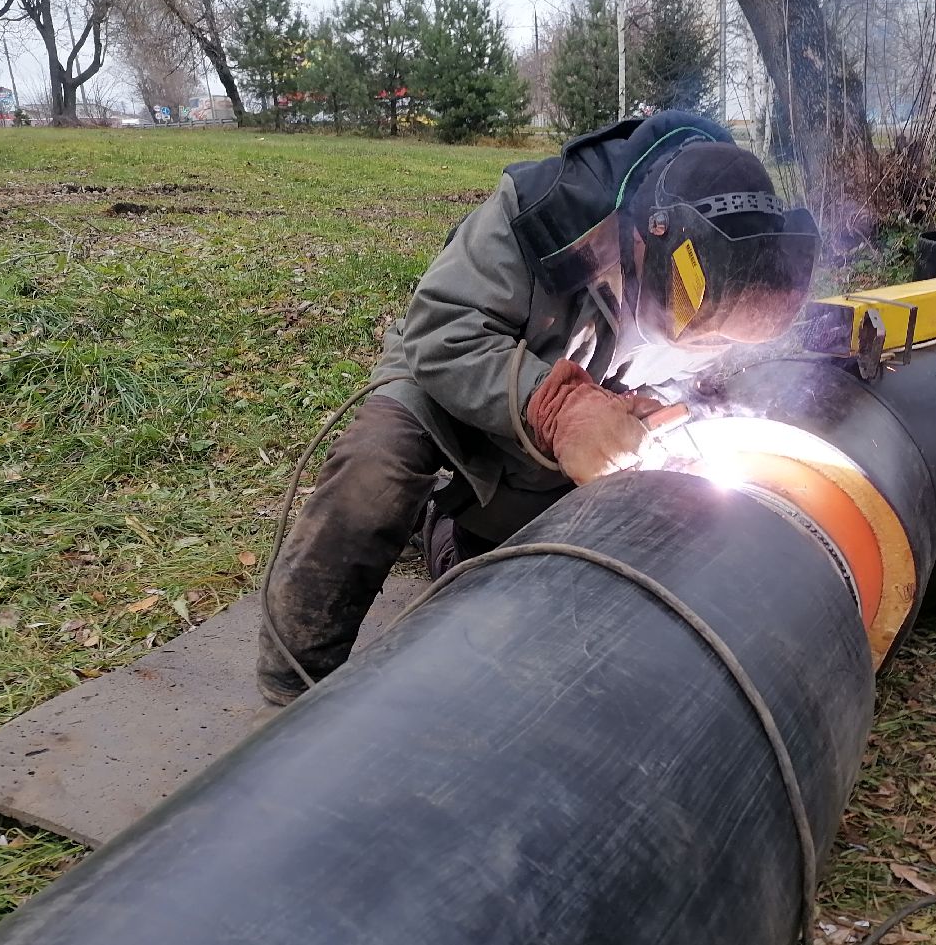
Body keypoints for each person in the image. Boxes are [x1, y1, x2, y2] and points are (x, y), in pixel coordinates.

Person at [257, 111, 822, 706]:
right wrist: (559, 408)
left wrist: (657, 410)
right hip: (458, 372)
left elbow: (693, 381)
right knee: (378, 463)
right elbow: (442, 332)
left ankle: (444, 526)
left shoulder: (736, 253)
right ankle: (295, 678)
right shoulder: (540, 213)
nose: (699, 344)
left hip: (578, 429)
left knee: (518, 574)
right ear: (645, 237)